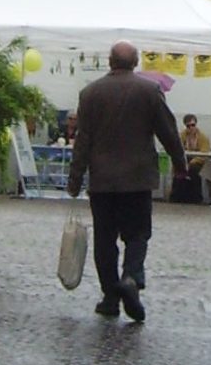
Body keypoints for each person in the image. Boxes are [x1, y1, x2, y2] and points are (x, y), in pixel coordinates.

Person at [68, 42, 186, 322]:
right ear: (135, 63)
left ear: (110, 61)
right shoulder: (149, 91)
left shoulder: (90, 93)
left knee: (105, 239)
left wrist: (75, 177)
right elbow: (168, 131)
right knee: (138, 234)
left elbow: (83, 140)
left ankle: (110, 298)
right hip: (137, 178)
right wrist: (180, 164)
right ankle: (131, 277)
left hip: (102, 180)